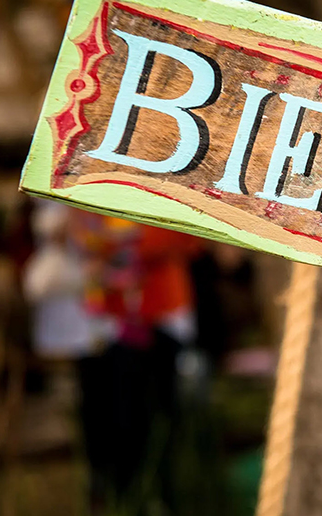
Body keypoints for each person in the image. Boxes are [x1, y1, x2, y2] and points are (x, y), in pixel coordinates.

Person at [69, 211, 202, 514]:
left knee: (166, 416)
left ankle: (166, 494)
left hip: (163, 317)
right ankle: (121, 492)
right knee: (116, 417)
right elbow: (81, 236)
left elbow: (189, 234)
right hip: (109, 323)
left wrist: (128, 246)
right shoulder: (91, 188)